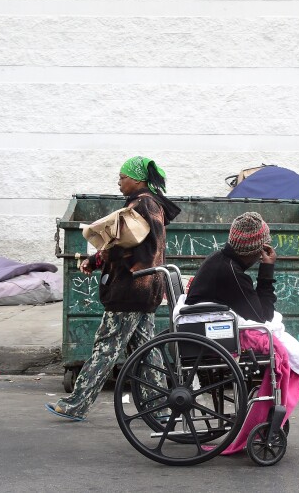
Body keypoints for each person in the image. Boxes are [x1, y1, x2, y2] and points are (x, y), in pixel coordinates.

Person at [45, 156, 180, 422]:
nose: (119, 181)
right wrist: (97, 260)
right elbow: (130, 244)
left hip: (130, 290)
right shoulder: (153, 205)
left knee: (106, 348)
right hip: (148, 288)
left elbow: (128, 247)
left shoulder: (140, 205)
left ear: (138, 179)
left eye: (123, 176)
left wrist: (98, 259)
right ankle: (161, 410)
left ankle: (76, 404)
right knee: (146, 353)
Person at [185, 211, 299, 455]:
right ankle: (266, 409)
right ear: (255, 250)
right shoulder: (231, 273)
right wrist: (267, 269)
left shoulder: (223, 261)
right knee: (288, 351)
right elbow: (262, 314)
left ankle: (262, 413)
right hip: (212, 335)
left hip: (209, 326)